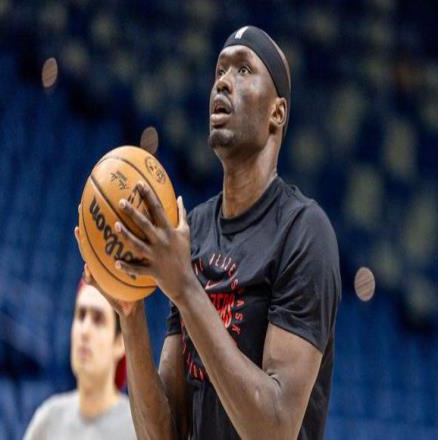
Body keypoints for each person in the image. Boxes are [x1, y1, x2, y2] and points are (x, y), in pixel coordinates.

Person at [76, 25, 341, 439]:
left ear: (277, 113)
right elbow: (164, 434)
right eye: (220, 70)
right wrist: (130, 314)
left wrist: (184, 287)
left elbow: (275, 429)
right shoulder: (194, 229)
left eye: (243, 70)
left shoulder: (304, 231)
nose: (222, 82)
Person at [24, 280, 136, 439]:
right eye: (81, 315)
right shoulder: (48, 420)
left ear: (120, 342)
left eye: (98, 319)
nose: (84, 330)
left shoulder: (137, 430)